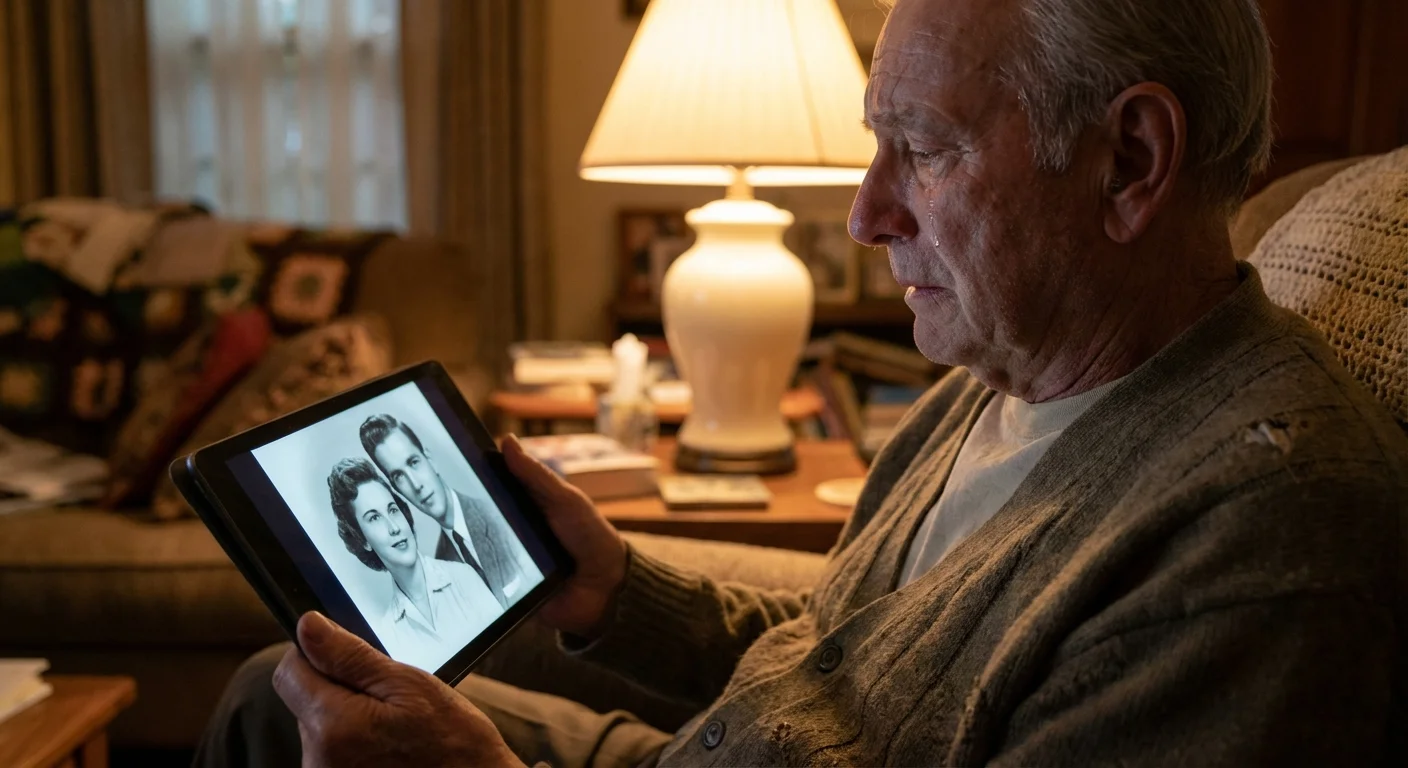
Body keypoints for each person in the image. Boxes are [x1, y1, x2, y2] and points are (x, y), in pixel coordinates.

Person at [195, 0, 1408, 765]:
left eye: (922, 151)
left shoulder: (1267, 534)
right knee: (278, 691)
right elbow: (852, 655)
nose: (866, 213)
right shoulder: (1005, 371)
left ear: (1129, 159)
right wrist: (618, 592)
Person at [325, 457, 504, 673]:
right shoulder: (387, 634)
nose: (394, 528)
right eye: (374, 518)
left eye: (392, 510)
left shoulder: (464, 576)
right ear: (362, 539)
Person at [359, 413, 538, 609]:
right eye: (399, 476)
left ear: (430, 459)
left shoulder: (501, 518)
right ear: (396, 490)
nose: (416, 484)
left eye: (413, 462)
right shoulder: (440, 568)